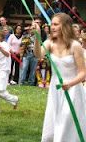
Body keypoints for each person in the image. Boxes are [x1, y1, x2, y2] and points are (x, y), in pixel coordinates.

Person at [34, 13, 86, 142]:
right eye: (52, 24)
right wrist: (37, 37)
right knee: (54, 124)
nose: (53, 27)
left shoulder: (75, 45)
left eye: (56, 24)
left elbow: (83, 73)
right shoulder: (50, 43)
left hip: (73, 90)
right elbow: (38, 55)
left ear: (65, 26)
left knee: (66, 124)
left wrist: (70, 83)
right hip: (55, 89)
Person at [0, 30, 18, 114]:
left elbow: (7, 54)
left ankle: (14, 99)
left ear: (0, 37)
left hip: (4, 69)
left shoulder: (5, 45)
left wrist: (0, 49)